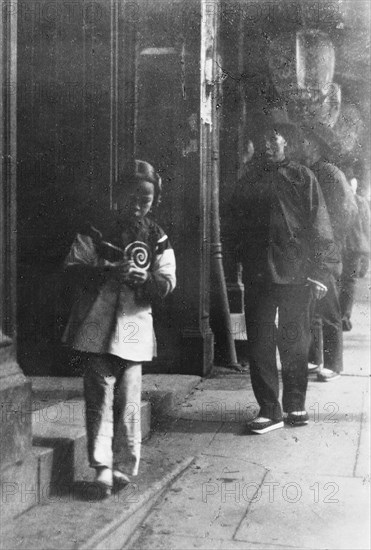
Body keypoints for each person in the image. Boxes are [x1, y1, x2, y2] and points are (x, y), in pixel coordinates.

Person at [62, 160, 176, 495]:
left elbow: (169, 279)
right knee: (98, 392)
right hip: (97, 320)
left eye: (147, 198)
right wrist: (108, 269)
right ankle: (101, 467)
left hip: (133, 325)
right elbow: (73, 266)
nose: (140, 204)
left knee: (128, 396)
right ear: (120, 194)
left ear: (155, 200)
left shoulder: (157, 236)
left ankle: (124, 465)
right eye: (134, 195)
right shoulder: (96, 228)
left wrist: (149, 279)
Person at [228, 111, 339, 434]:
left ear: (286, 142)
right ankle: (269, 409)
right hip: (258, 272)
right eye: (262, 138)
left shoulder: (303, 177)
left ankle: (294, 404)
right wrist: (234, 265)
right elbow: (234, 226)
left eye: (273, 137)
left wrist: (320, 272)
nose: (266, 144)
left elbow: (321, 227)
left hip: (297, 272)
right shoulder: (248, 179)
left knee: (295, 340)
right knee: (260, 341)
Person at [301, 129, 357, 381]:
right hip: (312, 247)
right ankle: (314, 358)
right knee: (312, 304)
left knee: (329, 306)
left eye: (304, 142)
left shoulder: (330, 174)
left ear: (315, 146)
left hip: (326, 248)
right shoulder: (313, 171)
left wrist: (331, 241)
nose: (300, 146)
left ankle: (333, 364)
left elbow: (346, 211)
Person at [340, 174, 370, 330]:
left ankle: (344, 316)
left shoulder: (361, 202)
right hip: (343, 248)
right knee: (343, 282)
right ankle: (340, 315)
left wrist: (367, 254)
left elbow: (367, 226)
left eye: (353, 185)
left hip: (355, 248)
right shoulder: (342, 200)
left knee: (349, 282)